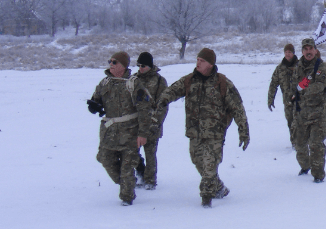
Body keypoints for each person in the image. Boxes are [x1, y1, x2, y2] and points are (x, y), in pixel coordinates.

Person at [153, 48, 250, 207]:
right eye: (197, 60)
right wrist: (163, 100)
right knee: (199, 163)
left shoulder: (222, 83)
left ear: (210, 64)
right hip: (194, 133)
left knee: (209, 168)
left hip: (215, 134)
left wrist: (243, 131)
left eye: (202, 61)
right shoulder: (189, 80)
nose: (198, 63)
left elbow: (237, 108)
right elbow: (172, 91)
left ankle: (206, 201)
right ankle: (219, 188)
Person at [87, 51, 153, 206]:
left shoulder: (134, 84)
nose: (111, 64)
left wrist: (143, 133)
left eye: (114, 62)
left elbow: (145, 109)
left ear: (123, 65)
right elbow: (96, 99)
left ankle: (127, 199)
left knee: (127, 167)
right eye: (110, 61)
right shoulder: (105, 83)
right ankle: (127, 182)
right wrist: (94, 106)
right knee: (104, 159)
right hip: (109, 134)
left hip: (129, 133)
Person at [286, 39, 326, 184]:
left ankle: (318, 175)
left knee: (315, 144)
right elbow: (293, 86)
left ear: (315, 50)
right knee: (299, 144)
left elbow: (319, 86)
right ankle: (305, 166)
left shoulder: (322, 67)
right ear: (302, 51)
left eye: (310, 49)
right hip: (301, 113)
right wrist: (291, 95)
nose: (308, 52)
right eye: (305, 49)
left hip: (318, 113)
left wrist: (302, 89)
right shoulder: (298, 67)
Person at [134, 52, 168, 191]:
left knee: (150, 154)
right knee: (132, 152)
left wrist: (155, 122)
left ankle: (150, 181)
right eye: (139, 65)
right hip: (135, 125)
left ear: (150, 65)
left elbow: (163, 104)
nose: (140, 68)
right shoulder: (134, 80)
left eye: (143, 66)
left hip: (152, 125)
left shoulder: (160, 81)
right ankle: (140, 173)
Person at [268, 44, 302, 149]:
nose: (288, 54)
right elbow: (273, 84)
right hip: (287, 101)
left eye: (290, 52)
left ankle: (301, 143)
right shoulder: (280, 68)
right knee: (290, 122)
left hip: (300, 100)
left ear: (293, 53)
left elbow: (307, 81)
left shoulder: (300, 66)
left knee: (299, 122)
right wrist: (270, 99)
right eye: (286, 52)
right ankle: (294, 143)